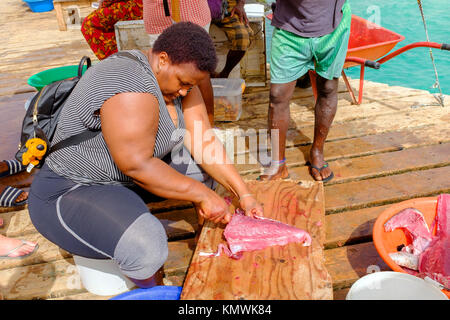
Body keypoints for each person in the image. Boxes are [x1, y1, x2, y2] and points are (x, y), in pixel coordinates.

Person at [28, 22, 263, 288]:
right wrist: (202, 195)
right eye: (183, 83)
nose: (185, 92)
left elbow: (204, 141)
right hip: (70, 189)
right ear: (162, 60)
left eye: (191, 86)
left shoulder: (178, 79)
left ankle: (205, 246)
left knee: (201, 169)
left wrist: (243, 192)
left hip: (123, 181)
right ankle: (153, 290)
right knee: (148, 247)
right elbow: (137, 165)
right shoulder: (131, 84)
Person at [259, 0, 351, 183]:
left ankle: (317, 150)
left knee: (328, 87)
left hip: (333, 26)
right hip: (289, 28)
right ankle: (278, 164)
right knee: (277, 95)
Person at [143, 0, 215, 125]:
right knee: (164, 72)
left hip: (190, 11)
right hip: (157, 14)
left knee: (196, 68)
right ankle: (170, 126)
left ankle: (208, 125)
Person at [212, 0, 253, 78]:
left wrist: (240, 4)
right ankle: (203, 73)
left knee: (243, 37)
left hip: (227, 8)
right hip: (200, 6)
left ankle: (224, 74)